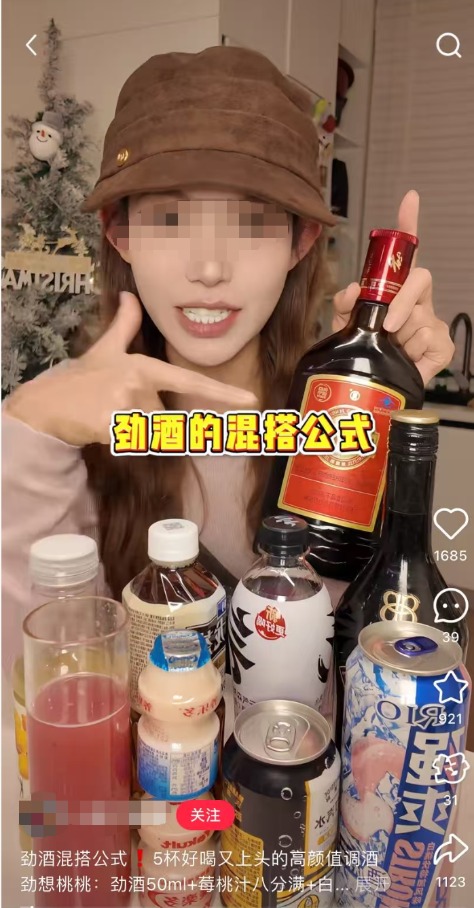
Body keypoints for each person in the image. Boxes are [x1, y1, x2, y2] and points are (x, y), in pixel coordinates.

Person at [2, 46, 454, 672]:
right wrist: (31, 427)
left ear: (300, 243)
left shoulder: (334, 410)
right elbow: (37, 678)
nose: (210, 268)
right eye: (169, 218)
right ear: (119, 233)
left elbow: (360, 672)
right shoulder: (66, 418)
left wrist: (368, 428)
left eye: (250, 221)